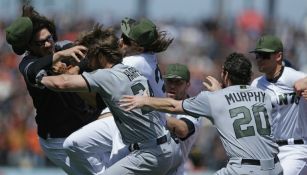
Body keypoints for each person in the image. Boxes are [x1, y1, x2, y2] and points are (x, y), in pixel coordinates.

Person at [39, 25, 181, 175]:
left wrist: (39, 77)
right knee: (74, 144)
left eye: (90, 57)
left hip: (150, 152)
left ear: (100, 57)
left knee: (75, 145)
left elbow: (62, 83)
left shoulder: (112, 73)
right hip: (164, 145)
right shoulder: (131, 67)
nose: (87, 62)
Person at [120, 52, 283, 175]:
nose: (172, 86)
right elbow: (238, 100)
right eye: (169, 81)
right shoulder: (263, 96)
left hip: (244, 169)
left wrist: (144, 101)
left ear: (225, 74)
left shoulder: (213, 98)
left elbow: (173, 106)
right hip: (275, 167)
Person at [5, 6, 102, 174]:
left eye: (49, 38)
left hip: (86, 128)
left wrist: (74, 69)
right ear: (30, 46)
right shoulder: (27, 64)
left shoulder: (63, 46)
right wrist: (60, 57)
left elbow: (90, 57)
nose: (48, 44)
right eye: (40, 42)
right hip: (58, 139)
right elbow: (36, 69)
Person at [250, 35, 307, 175]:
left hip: (296, 149)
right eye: (257, 55)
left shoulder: (292, 76)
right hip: (270, 151)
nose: (259, 59)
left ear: (278, 56)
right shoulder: (256, 85)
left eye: (264, 55)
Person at [163, 63, 202, 175]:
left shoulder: (194, 109)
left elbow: (182, 129)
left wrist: (154, 115)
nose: (172, 86)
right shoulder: (157, 102)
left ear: (188, 85)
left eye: (178, 82)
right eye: (169, 81)